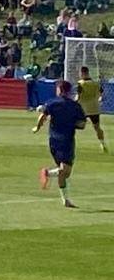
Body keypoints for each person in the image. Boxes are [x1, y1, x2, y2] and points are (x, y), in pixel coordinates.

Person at [34, 79, 86, 208]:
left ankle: (65, 200)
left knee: (64, 172)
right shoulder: (75, 106)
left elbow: (42, 116)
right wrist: (71, 123)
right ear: (68, 91)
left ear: (59, 90)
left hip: (53, 140)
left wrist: (37, 127)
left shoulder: (52, 103)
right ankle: (47, 173)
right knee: (65, 171)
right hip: (66, 141)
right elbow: (82, 124)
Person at [75, 66, 109, 153]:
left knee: (72, 125)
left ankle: (69, 144)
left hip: (83, 109)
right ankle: (103, 143)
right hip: (94, 108)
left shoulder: (81, 83)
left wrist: (73, 103)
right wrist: (100, 98)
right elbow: (102, 94)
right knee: (97, 127)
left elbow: (78, 97)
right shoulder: (95, 83)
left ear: (82, 73)